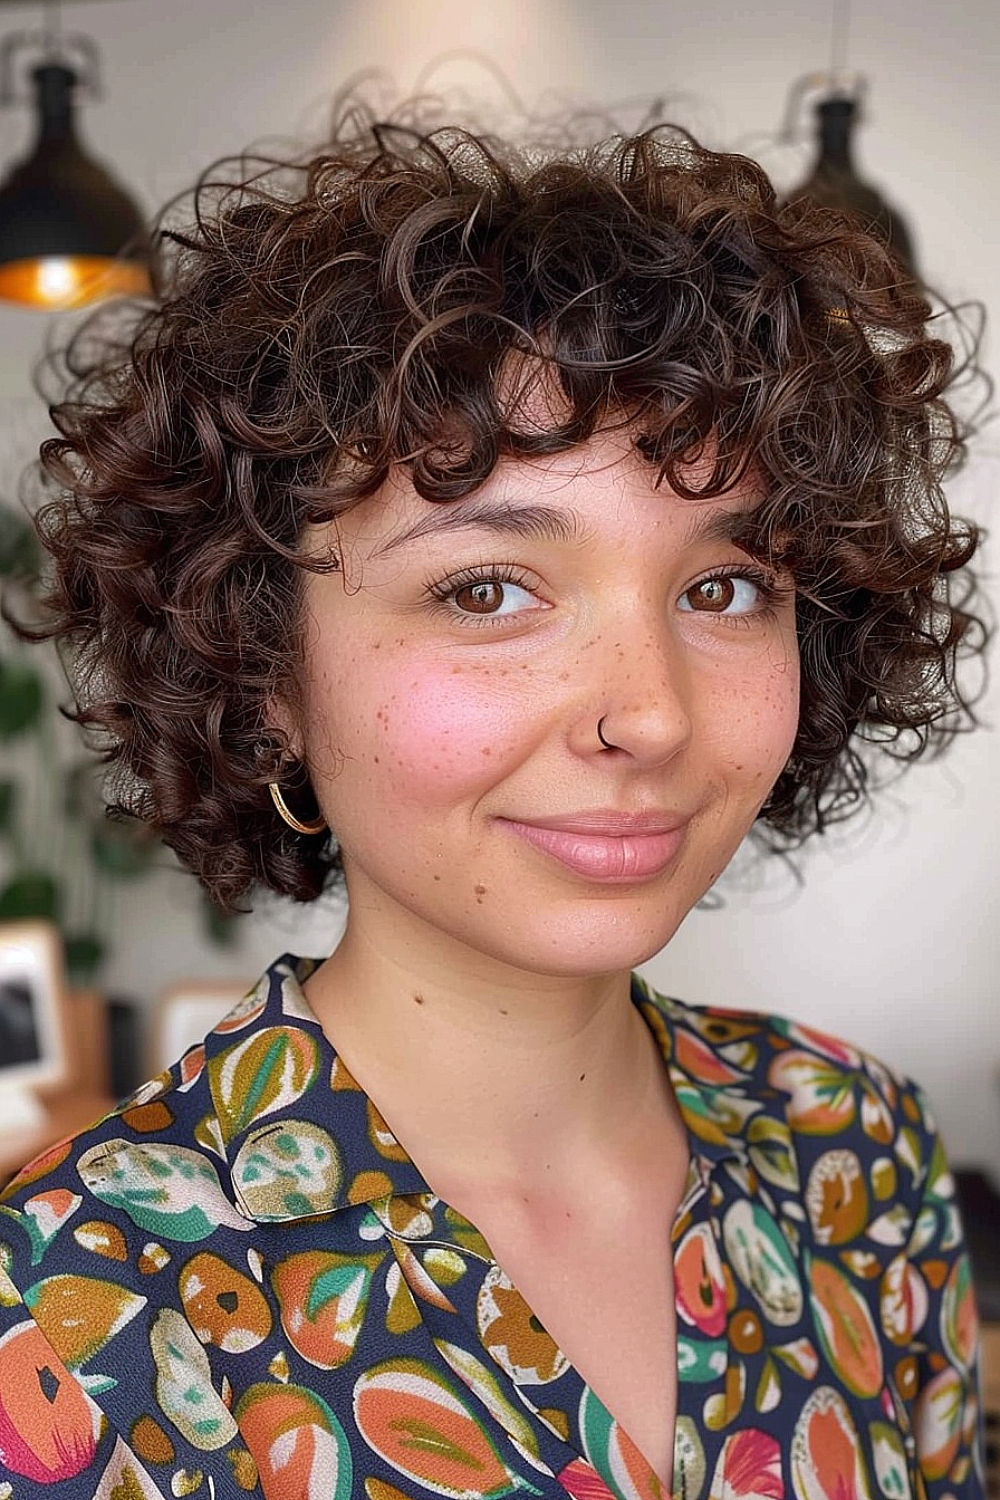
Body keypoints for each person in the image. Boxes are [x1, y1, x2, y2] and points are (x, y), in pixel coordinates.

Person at [0, 116, 987, 1500]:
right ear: (263, 664)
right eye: (485, 591)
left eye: (724, 588)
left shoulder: (854, 1150)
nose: (646, 712)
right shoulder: (70, 1301)